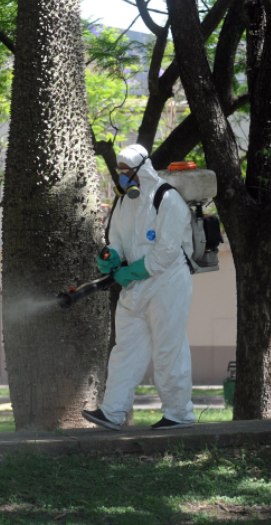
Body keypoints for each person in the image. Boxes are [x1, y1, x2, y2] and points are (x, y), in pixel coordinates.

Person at [82, 144, 196, 431]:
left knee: (169, 350)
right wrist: (112, 257)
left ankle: (178, 414)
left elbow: (167, 251)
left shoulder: (168, 199)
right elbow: (117, 238)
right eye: (120, 172)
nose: (122, 177)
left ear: (141, 170)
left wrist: (134, 271)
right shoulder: (124, 203)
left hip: (167, 284)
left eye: (126, 171)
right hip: (134, 288)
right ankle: (112, 412)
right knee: (125, 351)